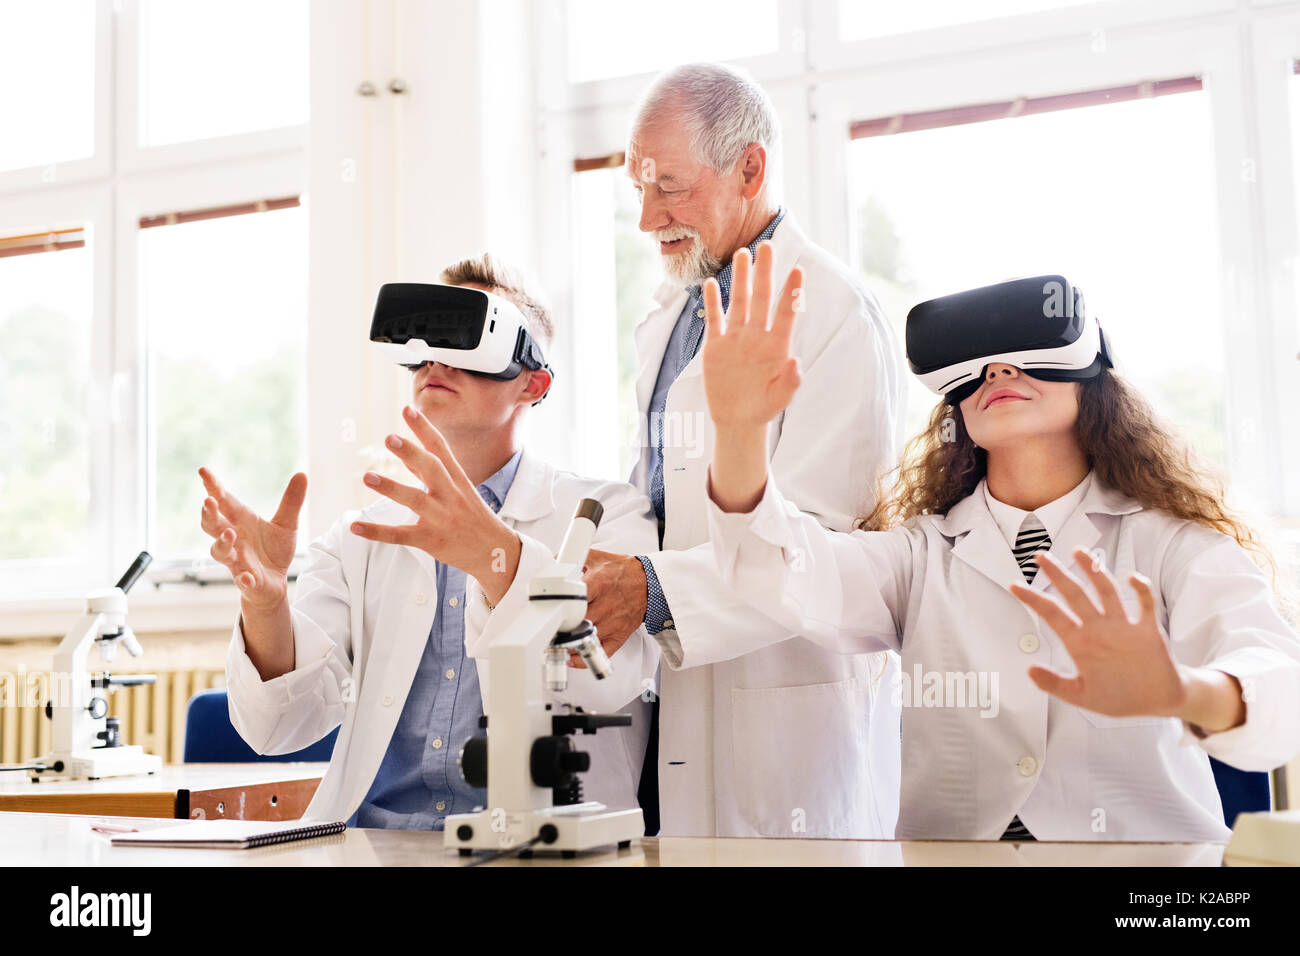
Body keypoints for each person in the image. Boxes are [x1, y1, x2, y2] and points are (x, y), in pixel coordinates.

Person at [697, 264, 1300, 841]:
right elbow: (777, 570)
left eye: (1023, 356)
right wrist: (739, 433)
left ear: (1093, 378)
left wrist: (1182, 692)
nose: (997, 372)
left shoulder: (1174, 546)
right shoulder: (921, 557)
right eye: (979, 367)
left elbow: (1279, 687)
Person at [203, 253, 659, 827]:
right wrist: (266, 605)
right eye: (429, 342)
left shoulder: (608, 513)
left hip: (533, 848)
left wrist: (497, 560)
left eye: (466, 341)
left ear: (532, 383)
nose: (436, 361)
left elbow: (603, 685)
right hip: (368, 845)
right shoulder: (360, 537)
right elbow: (276, 729)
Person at [579, 62, 906, 838]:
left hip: (788, 736)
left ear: (750, 168)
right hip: (673, 714)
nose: (646, 219)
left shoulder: (833, 314)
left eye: (670, 188)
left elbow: (820, 548)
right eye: (639, 190)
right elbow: (654, 500)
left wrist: (653, 591)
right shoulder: (667, 320)